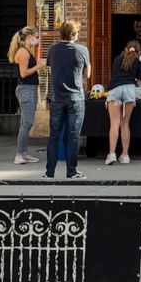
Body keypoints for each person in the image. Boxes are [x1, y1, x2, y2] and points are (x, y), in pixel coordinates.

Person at [44, 19, 91, 180]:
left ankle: (49, 172)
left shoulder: (52, 49)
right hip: (76, 97)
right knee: (73, 136)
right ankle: (71, 171)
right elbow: (88, 73)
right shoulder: (82, 50)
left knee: (54, 136)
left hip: (56, 97)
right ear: (74, 34)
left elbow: (50, 71)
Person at [9, 26, 46, 165]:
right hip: (26, 89)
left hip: (29, 88)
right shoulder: (23, 52)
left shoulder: (26, 51)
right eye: (36, 36)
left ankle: (23, 153)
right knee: (27, 123)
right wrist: (38, 66)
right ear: (29, 37)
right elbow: (24, 73)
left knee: (26, 122)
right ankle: (19, 154)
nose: (37, 39)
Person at [105, 40, 141, 165]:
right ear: (138, 51)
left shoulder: (117, 59)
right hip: (129, 90)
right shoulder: (138, 62)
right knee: (125, 123)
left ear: (126, 49)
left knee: (114, 123)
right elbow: (139, 83)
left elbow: (114, 74)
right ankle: (125, 155)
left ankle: (112, 154)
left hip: (115, 89)